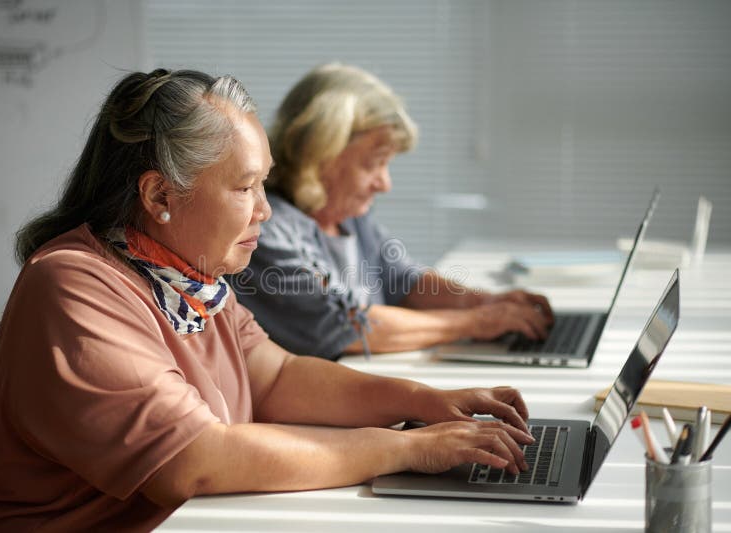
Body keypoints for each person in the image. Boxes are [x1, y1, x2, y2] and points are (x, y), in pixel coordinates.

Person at [0, 68, 535, 531]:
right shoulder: (73, 286)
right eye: (245, 187)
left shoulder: (190, 278)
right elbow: (194, 460)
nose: (266, 212)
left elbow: (278, 377)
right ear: (160, 194)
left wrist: (427, 401)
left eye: (264, 184)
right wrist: (406, 448)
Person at [230, 63, 554, 359]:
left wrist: (488, 302)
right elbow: (344, 325)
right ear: (321, 154)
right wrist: (476, 322)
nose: (385, 184)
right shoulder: (265, 231)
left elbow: (406, 281)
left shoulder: (350, 219)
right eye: (374, 163)